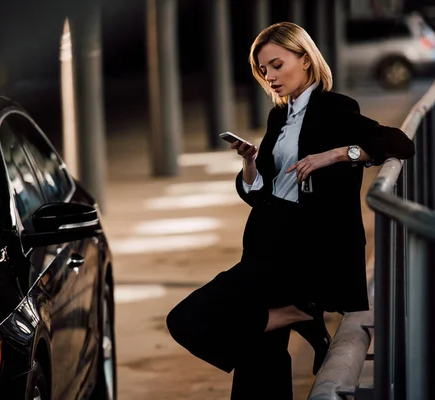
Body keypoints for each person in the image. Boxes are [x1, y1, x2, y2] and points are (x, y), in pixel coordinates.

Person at [166, 21, 415, 399]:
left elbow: (398, 142)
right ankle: (298, 321)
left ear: (306, 59)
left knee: (186, 318)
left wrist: (335, 155)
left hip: (298, 250)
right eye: (263, 70)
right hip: (266, 240)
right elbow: (260, 192)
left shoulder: (334, 108)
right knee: (260, 355)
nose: (270, 77)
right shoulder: (279, 116)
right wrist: (250, 164)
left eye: (277, 65)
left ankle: (296, 314)